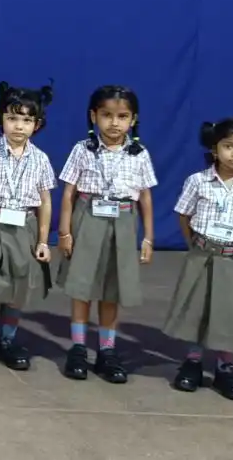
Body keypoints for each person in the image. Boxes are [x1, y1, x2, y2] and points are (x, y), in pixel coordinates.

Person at [162, 118, 233, 400]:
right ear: (214, 148)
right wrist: (194, 243)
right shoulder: (198, 181)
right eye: (229, 146)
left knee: (229, 314)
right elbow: (184, 214)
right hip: (204, 254)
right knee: (199, 309)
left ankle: (225, 368)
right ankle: (193, 363)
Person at [56, 85, 157, 384]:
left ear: (133, 119)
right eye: (107, 115)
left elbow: (145, 197)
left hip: (123, 220)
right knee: (82, 285)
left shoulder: (139, 154)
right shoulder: (82, 149)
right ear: (93, 116)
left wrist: (148, 237)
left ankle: (107, 350)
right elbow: (69, 192)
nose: (114, 123)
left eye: (122, 116)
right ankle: (77, 347)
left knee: (112, 288)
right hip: (88, 217)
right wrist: (64, 231)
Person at [0, 82, 55, 370]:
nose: (19, 126)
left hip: (24, 226)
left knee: (18, 288)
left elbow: (45, 202)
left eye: (26, 120)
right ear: (1, 119)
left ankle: (5, 340)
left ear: (36, 124)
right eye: (12, 118)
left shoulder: (40, 159)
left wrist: (42, 240)